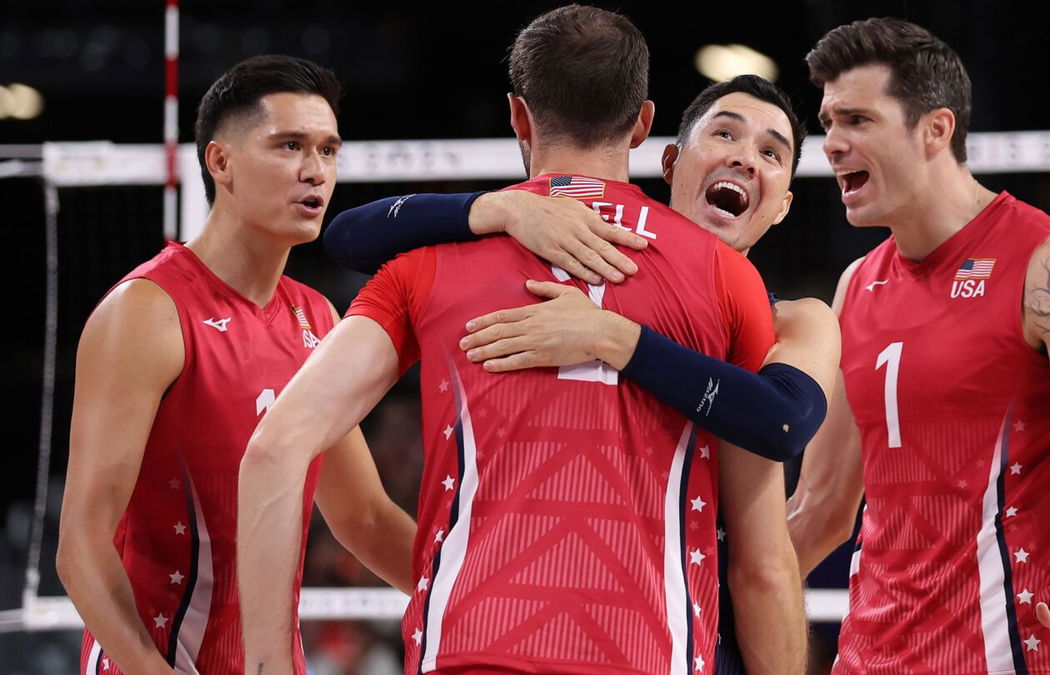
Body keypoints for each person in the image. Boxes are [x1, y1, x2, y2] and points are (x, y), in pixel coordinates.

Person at [238, 7, 791, 674]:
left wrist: (268, 664)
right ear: (644, 124)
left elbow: (274, 447)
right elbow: (761, 563)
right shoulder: (726, 276)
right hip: (650, 653)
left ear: (518, 117)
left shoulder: (427, 262)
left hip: (470, 650)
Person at [784, 18, 1050, 673]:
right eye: (827, 123)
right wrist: (701, 593)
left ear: (935, 130)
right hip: (865, 659)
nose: (832, 144)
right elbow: (820, 507)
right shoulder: (857, 285)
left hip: (1004, 658)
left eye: (857, 121)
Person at [56, 55, 416, 674]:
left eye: (329, 151)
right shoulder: (145, 312)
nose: (315, 172)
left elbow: (363, 516)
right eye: (290, 146)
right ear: (220, 162)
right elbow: (81, 544)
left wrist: (483, 601)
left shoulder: (317, 317)